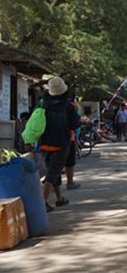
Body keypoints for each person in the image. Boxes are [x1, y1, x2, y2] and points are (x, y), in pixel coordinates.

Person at [39, 77, 79, 212]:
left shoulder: (43, 105)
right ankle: (42, 202)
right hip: (61, 143)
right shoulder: (68, 107)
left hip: (44, 143)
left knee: (53, 170)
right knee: (52, 173)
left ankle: (59, 199)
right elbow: (74, 125)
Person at [65, 97, 81, 190]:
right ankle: (69, 182)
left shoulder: (47, 105)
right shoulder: (71, 107)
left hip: (50, 139)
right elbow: (75, 125)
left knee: (54, 166)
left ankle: (54, 189)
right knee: (69, 163)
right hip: (68, 138)